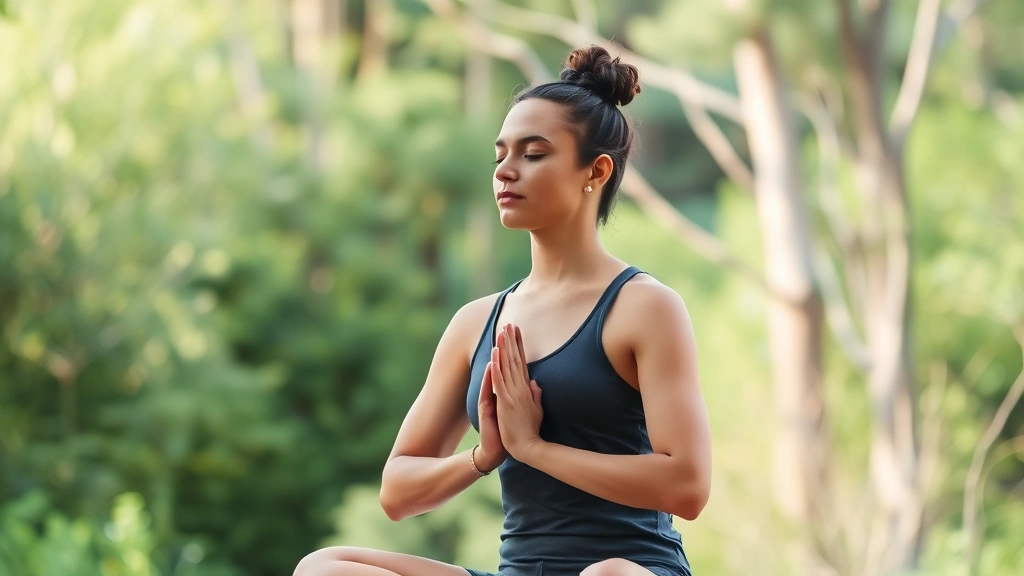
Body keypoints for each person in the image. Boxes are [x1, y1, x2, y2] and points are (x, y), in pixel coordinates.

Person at [294, 45, 712, 576]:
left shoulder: (645, 307)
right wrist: (484, 456)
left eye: (533, 154)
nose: (506, 172)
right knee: (324, 567)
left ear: (597, 171)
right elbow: (397, 490)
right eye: (501, 156)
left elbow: (688, 487)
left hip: (630, 569)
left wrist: (534, 448)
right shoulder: (476, 323)